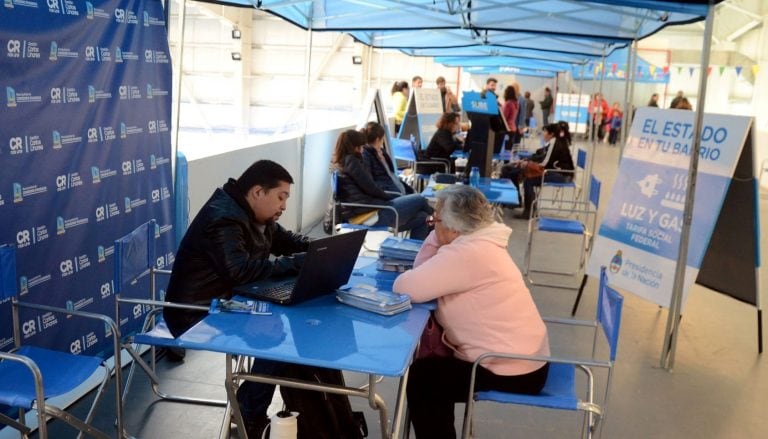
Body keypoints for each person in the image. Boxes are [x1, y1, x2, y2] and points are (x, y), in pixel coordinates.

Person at [164, 160, 353, 437]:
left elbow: (288, 240)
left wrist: (324, 249)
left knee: (285, 332)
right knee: (281, 341)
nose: (284, 206)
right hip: (196, 312)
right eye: (281, 197)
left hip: (227, 301)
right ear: (257, 192)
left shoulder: (255, 215)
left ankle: (251, 409)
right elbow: (240, 273)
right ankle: (249, 413)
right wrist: (298, 262)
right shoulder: (223, 218)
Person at [393, 185, 550, 439]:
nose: (432, 223)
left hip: (512, 368)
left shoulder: (466, 254)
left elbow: (406, 286)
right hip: (525, 358)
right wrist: (441, 232)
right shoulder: (482, 242)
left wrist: (435, 237)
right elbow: (424, 272)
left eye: (437, 218)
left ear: (455, 227)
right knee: (432, 372)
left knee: (425, 380)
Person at [333, 129, 433, 239]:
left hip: (368, 210)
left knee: (422, 217)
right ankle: (444, 223)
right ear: (355, 147)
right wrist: (388, 198)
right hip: (370, 215)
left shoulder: (343, 163)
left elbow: (367, 187)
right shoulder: (353, 162)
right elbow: (371, 188)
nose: (362, 150)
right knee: (420, 199)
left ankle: (417, 253)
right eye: (361, 147)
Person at [518, 123, 575, 219]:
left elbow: (545, 163)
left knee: (529, 180)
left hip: (563, 176)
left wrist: (529, 164)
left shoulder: (555, 142)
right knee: (529, 176)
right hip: (563, 173)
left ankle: (529, 212)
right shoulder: (558, 141)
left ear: (551, 134)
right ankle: (531, 209)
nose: (543, 134)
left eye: (545, 131)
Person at [361, 121, 414, 195]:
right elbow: (372, 183)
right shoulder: (366, 156)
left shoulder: (381, 152)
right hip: (391, 195)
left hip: (397, 190)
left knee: (420, 199)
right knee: (421, 201)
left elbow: (390, 174)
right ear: (377, 140)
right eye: (382, 139)